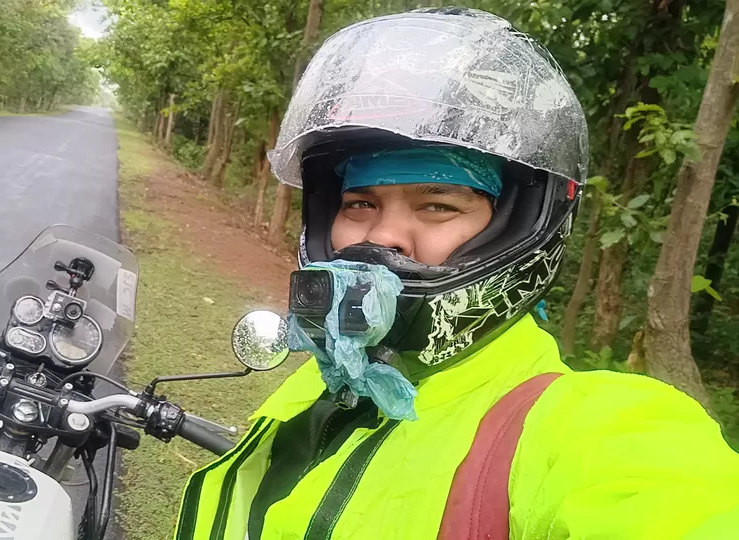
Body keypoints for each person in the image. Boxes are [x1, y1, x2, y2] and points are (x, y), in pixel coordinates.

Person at [174, 8, 739, 540]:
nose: (382, 236)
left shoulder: (597, 430)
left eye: (437, 206)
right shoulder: (329, 379)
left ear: (519, 227)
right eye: (360, 205)